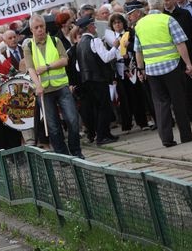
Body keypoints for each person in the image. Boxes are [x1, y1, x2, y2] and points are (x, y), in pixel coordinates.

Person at [134, 0, 192, 148]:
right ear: (162, 4)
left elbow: (138, 51)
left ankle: (166, 139)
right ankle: (185, 135)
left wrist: (141, 69)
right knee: (178, 101)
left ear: (148, 6)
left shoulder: (140, 24)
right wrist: (188, 64)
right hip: (171, 66)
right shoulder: (168, 19)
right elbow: (180, 44)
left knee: (161, 103)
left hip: (152, 70)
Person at [24, 15, 84, 158]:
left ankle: (76, 151)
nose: (40, 30)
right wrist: (37, 85)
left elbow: (65, 60)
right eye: (36, 27)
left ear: (45, 26)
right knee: (53, 127)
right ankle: (62, 156)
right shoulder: (29, 47)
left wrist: (47, 67)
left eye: (42, 26)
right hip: (44, 91)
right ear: (31, 30)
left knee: (73, 120)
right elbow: (31, 68)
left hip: (61, 86)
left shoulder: (55, 41)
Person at [75, 16, 120, 145]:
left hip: (87, 81)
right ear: (88, 27)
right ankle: (102, 136)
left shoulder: (79, 44)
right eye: (93, 25)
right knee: (104, 107)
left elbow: (78, 67)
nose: (95, 27)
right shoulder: (95, 41)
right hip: (98, 79)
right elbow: (106, 58)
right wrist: (115, 47)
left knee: (97, 108)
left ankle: (105, 134)